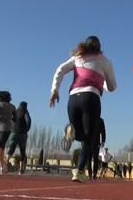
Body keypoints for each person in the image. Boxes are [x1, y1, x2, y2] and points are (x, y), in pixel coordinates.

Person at [50, 36, 117, 183]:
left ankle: (70, 132)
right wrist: (102, 81)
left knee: (79, 135)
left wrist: (54, 90)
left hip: (73, 99)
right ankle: (79, 171)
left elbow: (60, 70)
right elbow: (112, 87)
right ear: (99, 47)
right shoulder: (104, 61)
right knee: (89, 139)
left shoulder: (77, 57)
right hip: (91, 98)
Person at [7, 101, 31, 175]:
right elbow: (28, 121)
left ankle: (4, 165)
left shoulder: (15, 111)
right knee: (22, 151)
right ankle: (21, 170)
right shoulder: (25, 111)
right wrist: (26, 129)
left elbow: (10, 119)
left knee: (11, 149)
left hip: (13, 133)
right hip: (22, 134)